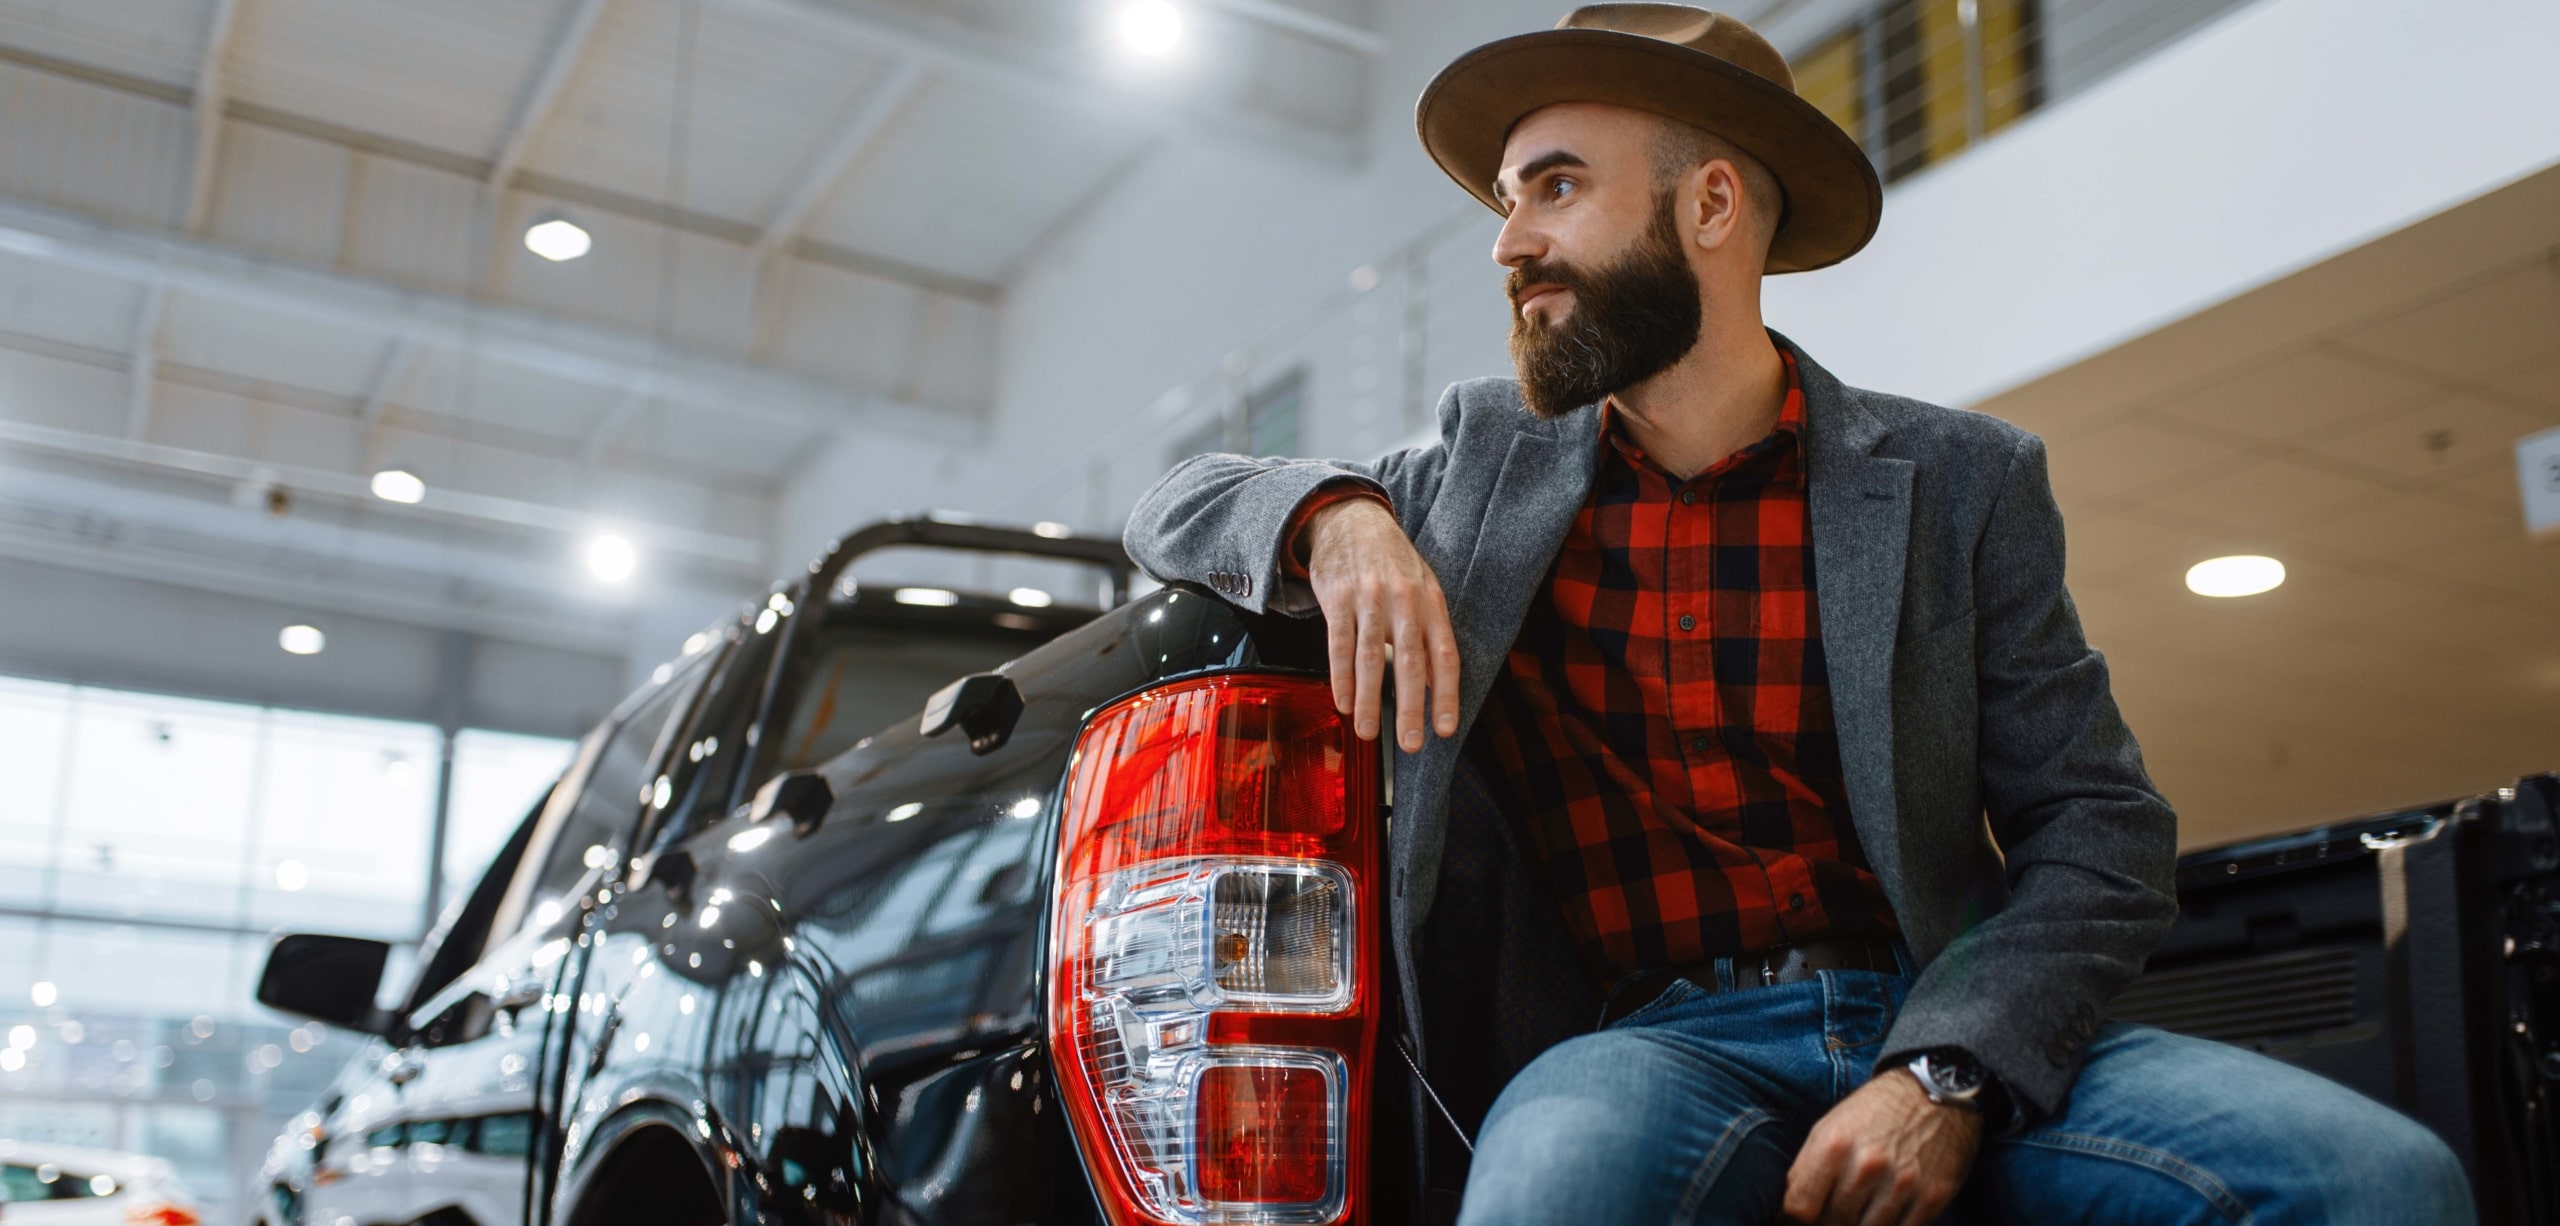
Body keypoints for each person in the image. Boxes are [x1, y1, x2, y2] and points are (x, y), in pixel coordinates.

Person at [1124, 5, 2473, 1223]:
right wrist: (1335, 515)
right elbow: (1177, 500)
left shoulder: (1958, 481)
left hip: (1931, 1004)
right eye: (1506, 196)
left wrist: (1946, 1074)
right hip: (1647, 1047)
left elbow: (2101, 827)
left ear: (1709, 203)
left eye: (1555, 187)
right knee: (1544, 1193)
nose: (1508, 241)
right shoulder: (1473, 481)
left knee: (2380, 1179)